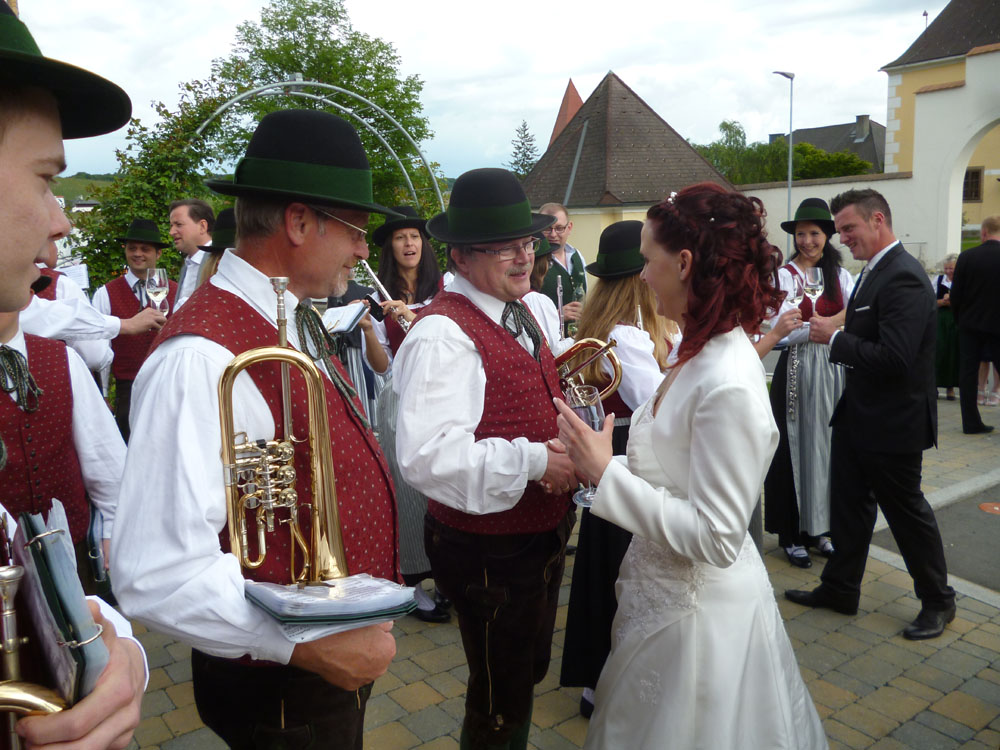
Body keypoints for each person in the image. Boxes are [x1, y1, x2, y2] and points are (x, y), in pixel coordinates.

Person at [111, 110, 402, 749]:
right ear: (298, 222)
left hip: (318, 666)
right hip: (283, 690)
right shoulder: (201, 357)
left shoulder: (286, 313)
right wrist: (302, 644)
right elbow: (157, 571)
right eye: (356, 230)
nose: (363, 249)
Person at [555, 183, 825, 749]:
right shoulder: (691, 350)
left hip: (699, 620)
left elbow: (719, 537)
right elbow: (676, 463)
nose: (642, 275)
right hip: (661, 599)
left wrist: (607, 474)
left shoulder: (726, 381)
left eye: (647, 260)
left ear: (683, 264)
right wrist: (598, 458)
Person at [0, 1, 147, 745]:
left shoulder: (49, 360)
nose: (61, 222)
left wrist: (121, 653)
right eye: (45, 177)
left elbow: (114, 487)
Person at [393, 168, 578, 750]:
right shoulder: (442, 334)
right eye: (505, 247)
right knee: (500, 702)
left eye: (527, 242)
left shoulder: (518, 309)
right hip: (491, 550)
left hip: (534, 533)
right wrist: (536, 461)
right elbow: (427, 458)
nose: (524, 257)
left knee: (525, 672)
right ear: (461, 256)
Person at [788, 188, 956, 640]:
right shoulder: (873, 270)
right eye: (839, 230)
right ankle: (840, 588)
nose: (841, 238)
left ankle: (939, 600)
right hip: (858, 416)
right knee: (849, 508)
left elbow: (896, 357)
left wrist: (834, 340)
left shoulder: (903, 276)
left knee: (906, 515)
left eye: (848, 228)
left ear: (877, 220)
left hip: (893, 423)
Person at [558, 219, 674, 719]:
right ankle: (607, 676)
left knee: (606, 564)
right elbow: (659, 402)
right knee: (620, 568)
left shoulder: (612, 327)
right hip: (630, 452)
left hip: (620, 453)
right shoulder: (626, 335)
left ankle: (598, 674)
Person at [761, 198, 853, 569]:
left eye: (814, 233)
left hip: (832, 367)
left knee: (827, 447)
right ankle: (791, 534)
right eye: (801, 234)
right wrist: (827, 325)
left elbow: (854, 313)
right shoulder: (783, 276)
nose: (807, 241)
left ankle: (821, 530)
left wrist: (829, 325)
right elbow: (779, 329)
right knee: (792, 446)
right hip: (796, 367)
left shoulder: (839, 275)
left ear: (827, 236)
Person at [367, 205, 449, 622]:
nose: (409, 243)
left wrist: (414, 317)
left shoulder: (448, 288)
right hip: (402, 398)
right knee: (410, 491)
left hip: (447, 395)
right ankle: (414, 583)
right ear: (390, 247)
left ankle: (449, 576)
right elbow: (382, 366)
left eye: (415, 235)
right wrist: (369, 329)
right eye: (400, 237)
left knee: (446, 484)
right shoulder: (379, 298)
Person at [91, 218, 177, 441]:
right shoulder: (106, 294)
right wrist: (102, 395)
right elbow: (99, 349)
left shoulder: (176, 291)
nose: (137, 253)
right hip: (127, 391)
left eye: (145, 249)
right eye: (132, 248)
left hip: (169, 385)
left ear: (158, 253)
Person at [950, 215, 1000, 433]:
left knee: (968, 374)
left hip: (970, 325)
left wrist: (959, 319)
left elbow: (955, 295)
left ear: (984, 232)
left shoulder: (967, 257)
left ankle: (971, 423)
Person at [539, 202, 587, 334]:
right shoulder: (532, 262)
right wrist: (557, 315)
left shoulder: (578, 257)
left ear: (569, 227)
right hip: (549, 340)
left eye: (559, 228)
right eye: (547, 229)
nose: (553, 235)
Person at [168, 197, 214, 308]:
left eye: (179, 224)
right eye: (171, 226)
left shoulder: (218, 261)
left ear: (202, 226)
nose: (171, 232)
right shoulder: (188, 264)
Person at [933, 253, 960, 401]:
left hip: (956, 320)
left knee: (953, 352)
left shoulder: (962, 281)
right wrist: (941, 302)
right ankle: (934, 386)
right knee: (939, 351)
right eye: (946, 268)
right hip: (940, 320)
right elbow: (929, 301)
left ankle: (950, 388)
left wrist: (953, 301)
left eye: (951, 268)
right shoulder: (937, 280)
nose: (948, 271)